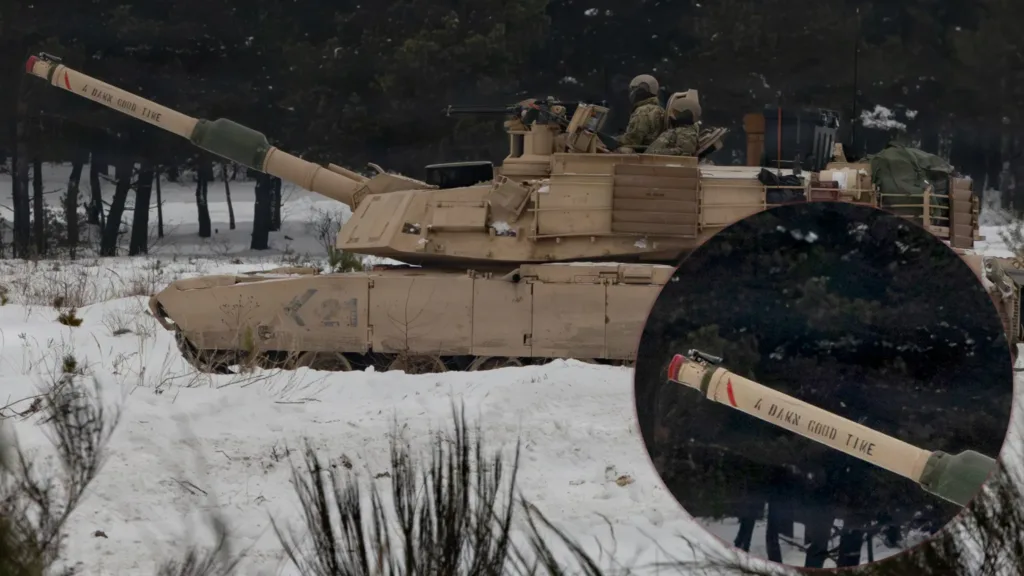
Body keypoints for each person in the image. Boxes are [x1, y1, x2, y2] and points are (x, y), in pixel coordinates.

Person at [616, 74, 665, 151]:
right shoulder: (659, 109)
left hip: (642, 153)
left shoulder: (642, 111)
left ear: (640, 91)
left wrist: (612, 140)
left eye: (633, 89)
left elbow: (632, 140)